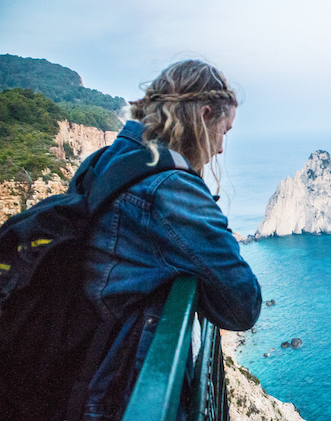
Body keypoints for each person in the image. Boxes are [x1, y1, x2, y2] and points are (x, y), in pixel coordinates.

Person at [80, 60, 262, 420]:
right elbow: (245, 305)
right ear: (205, 116)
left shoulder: (105, 160)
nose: (222, 149)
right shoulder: (172, 189)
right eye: (224, 131)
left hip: (88, 368)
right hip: (124, 391)